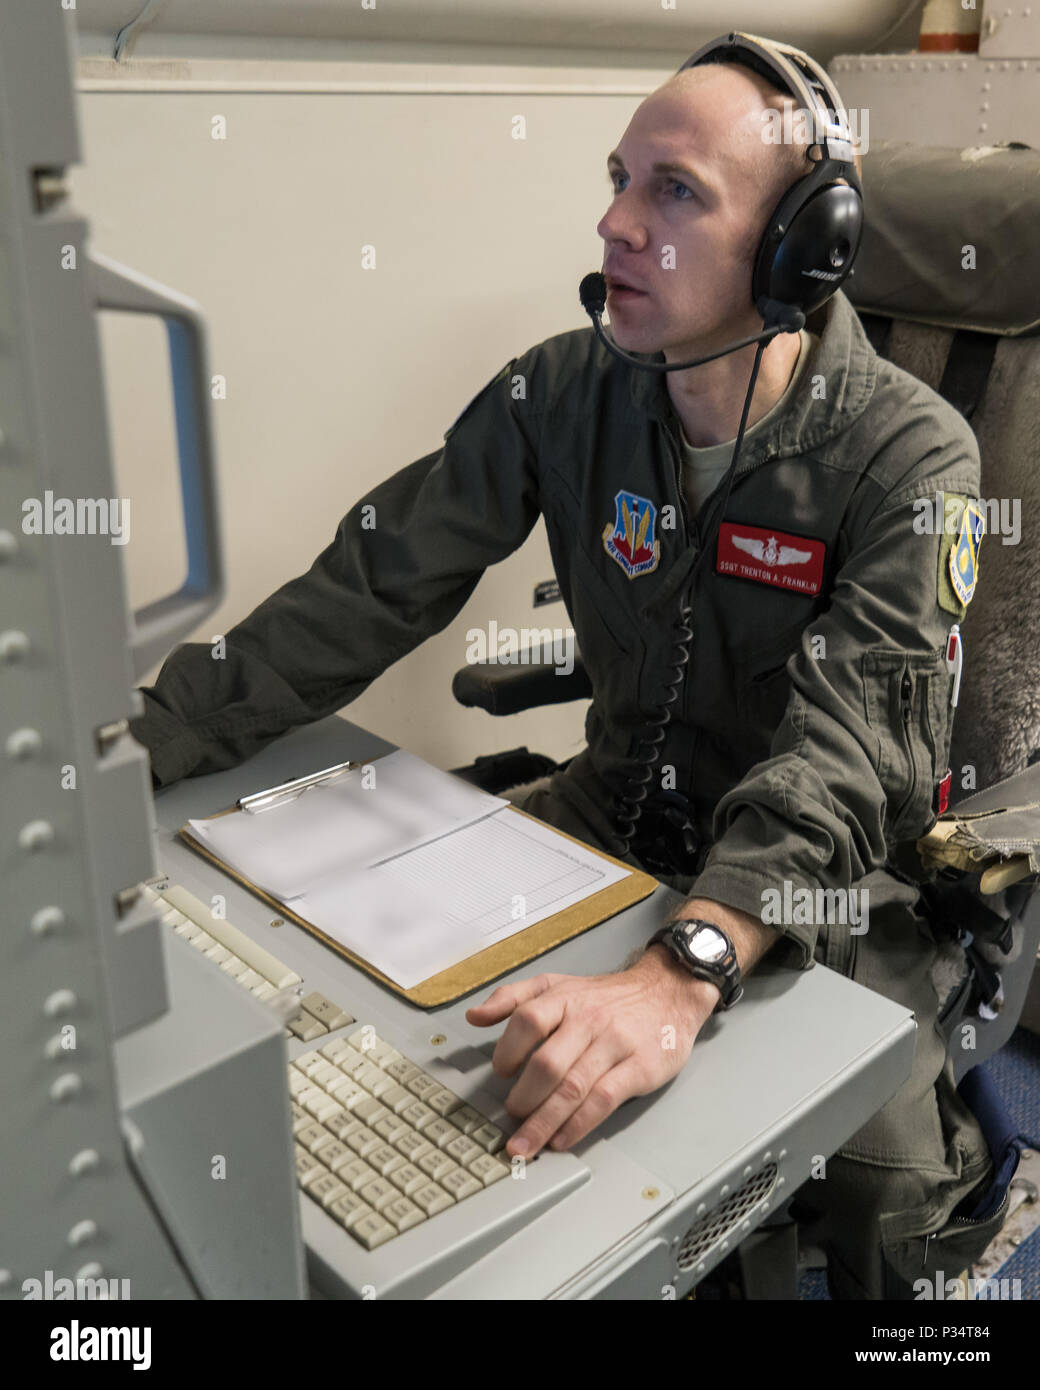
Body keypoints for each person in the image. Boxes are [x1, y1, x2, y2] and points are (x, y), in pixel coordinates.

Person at [130, 46, 999, 1299]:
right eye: (616, 180)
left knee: (877, 1185)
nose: (614, 220)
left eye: (674, 190)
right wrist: (122, 753)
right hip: (612, 812)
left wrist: (680, 969)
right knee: (413, 1023)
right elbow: (365, 591)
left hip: (817, 883)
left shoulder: (912, 458)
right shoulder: (561, 390)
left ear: (797, 252)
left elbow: (852, 750)